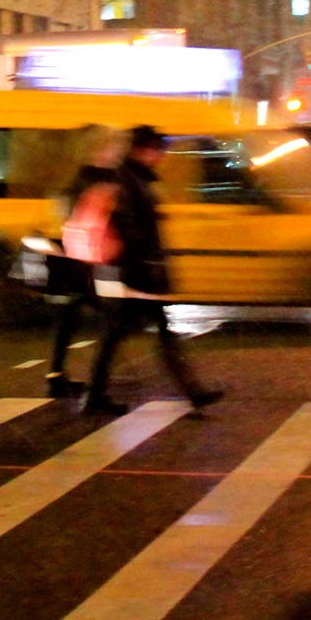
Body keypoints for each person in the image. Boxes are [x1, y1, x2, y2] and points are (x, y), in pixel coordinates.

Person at [81, 125, 222, 416]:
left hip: (135, 270)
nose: (161, 157)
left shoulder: (135, 178)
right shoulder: (128, 180)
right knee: (122, 334)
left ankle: (192, 391)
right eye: (157, 150)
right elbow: (131, 228)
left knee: (139, 333)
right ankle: (96, 395)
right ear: (142, 150)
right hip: (133, 272)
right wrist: (147, 263)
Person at [43, 126, 126, 399]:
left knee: (70, 314)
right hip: (84, 258)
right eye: (114, 146)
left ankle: (58, 376)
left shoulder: (84, 176)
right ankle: (95, 384)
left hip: (80, 256)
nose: (118, 152)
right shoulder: (92, 178)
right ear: (101, 148)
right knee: (110, 317)